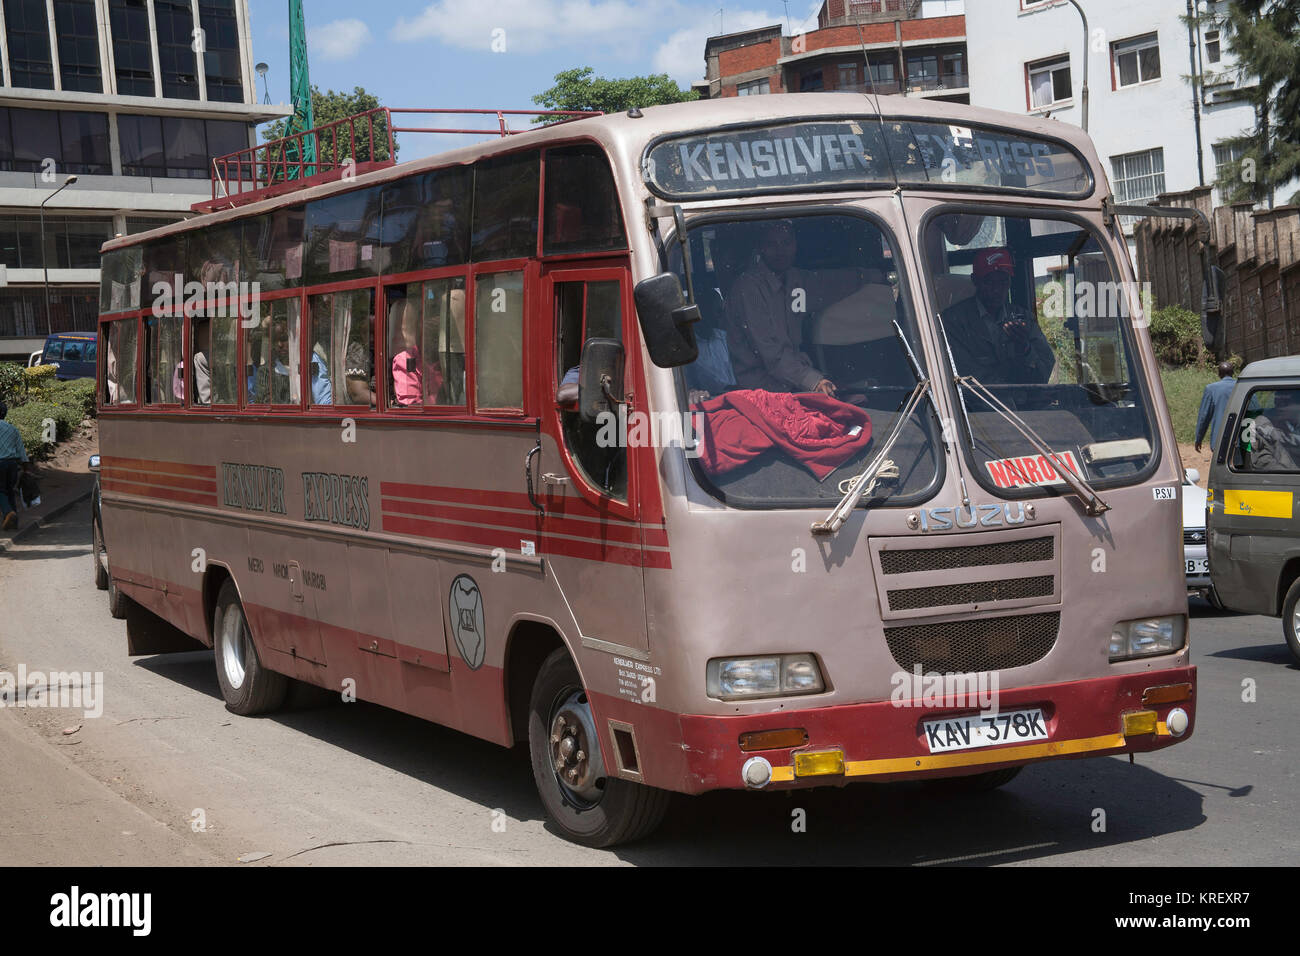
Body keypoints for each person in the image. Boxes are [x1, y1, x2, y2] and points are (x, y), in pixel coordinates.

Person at [724, 220, 866, 396]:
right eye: (771, 244)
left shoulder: (795, 279)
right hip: (763, 394)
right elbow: (772, 355)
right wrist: (814, 381)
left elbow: (829, 283)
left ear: (795, 245)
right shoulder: (748, 288)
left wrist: (869, 276)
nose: (780, 251)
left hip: (794, 384)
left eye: (786, 243)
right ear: (761, 247)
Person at [942, 247, 1055, 384]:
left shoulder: (1023, 318)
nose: (997, 290)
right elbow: (966, 378)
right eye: (989, 282)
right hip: (981, 403)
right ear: (975, 281)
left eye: (1003, 282)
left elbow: (1044, 372)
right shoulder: (954, 322)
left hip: (1025, 403)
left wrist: (1025, 348)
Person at [1250, 390, 1300, 471]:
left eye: (1286, 403)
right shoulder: (1262, 425)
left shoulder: (1295, 422)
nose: (1280, 408)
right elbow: (1262, 463)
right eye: (1277, 403)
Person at [1195, 361, 1236, 454]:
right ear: (1233, 373)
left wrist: (1198, 438)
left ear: (1219, 374)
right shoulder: (1242, 386)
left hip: (1219, 439)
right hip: (1240, 439)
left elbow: (1204, 417)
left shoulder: (1211, 389)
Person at [0, 401, 29, 530]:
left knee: (0, 491)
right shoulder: (12, 429)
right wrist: (25, 467)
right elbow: (21, 451)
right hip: (12, 464)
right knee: (10, 491)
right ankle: (13, 522)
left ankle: (8, 513)